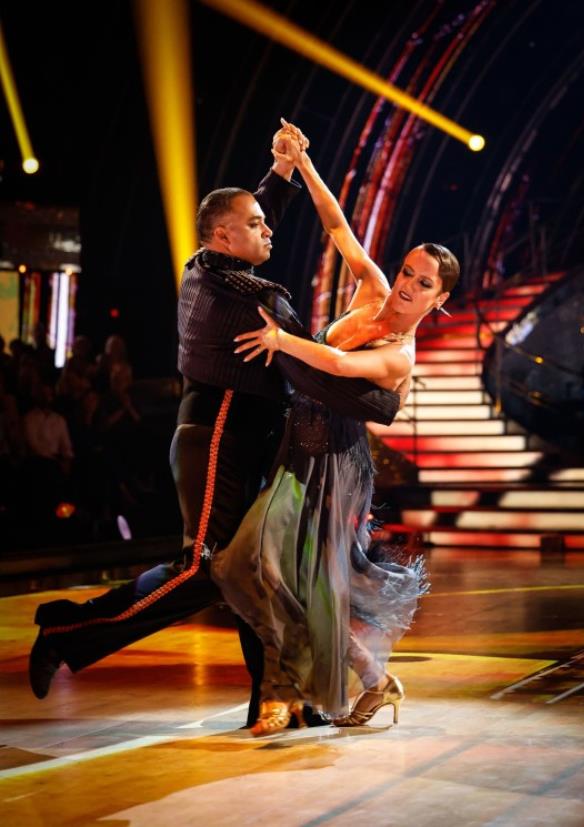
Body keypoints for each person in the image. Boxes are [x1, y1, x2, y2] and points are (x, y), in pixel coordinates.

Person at [29, 131, 401, 729]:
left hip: (250, 434)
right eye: (257, 225)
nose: (269, 229)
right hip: (218, 434)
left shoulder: (212, 264)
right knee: (206, 569)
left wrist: (280, 174)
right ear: (224, 237)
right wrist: (383, 400)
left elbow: (246, 216)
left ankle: (277, 700)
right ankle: (70, 629)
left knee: (260, 567)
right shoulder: (247, 300)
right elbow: (313, 371)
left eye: (264, 220)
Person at [212, 121, 460, 735]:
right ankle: (372, 682)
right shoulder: (372, 290)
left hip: (334, 462)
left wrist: (281, 339)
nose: (405, 284)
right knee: (279, 577)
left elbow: (344, 365)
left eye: (422, 284)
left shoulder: (401, 352)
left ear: (438, 301)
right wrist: (301, 160)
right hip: (297, 442)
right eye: (407, 271)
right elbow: (336, 224)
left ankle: (305, 687)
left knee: (278, 573)